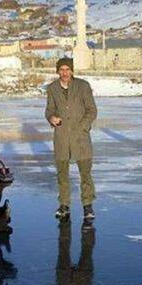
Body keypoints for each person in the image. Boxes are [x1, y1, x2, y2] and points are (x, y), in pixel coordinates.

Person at [44, 57, 98, 221]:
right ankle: (64, 205)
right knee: (62, 174)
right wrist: (51, 117)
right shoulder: (52, 88)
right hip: (61, 137)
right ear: (57, 71)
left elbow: (92, 110)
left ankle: (87, 206)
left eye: (68, 69)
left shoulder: (83, 86)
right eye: (62, 70)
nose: (65, 73)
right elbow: (49, 110)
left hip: (81, 138)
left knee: (85, 174)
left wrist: (83, 127)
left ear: (72, 71)